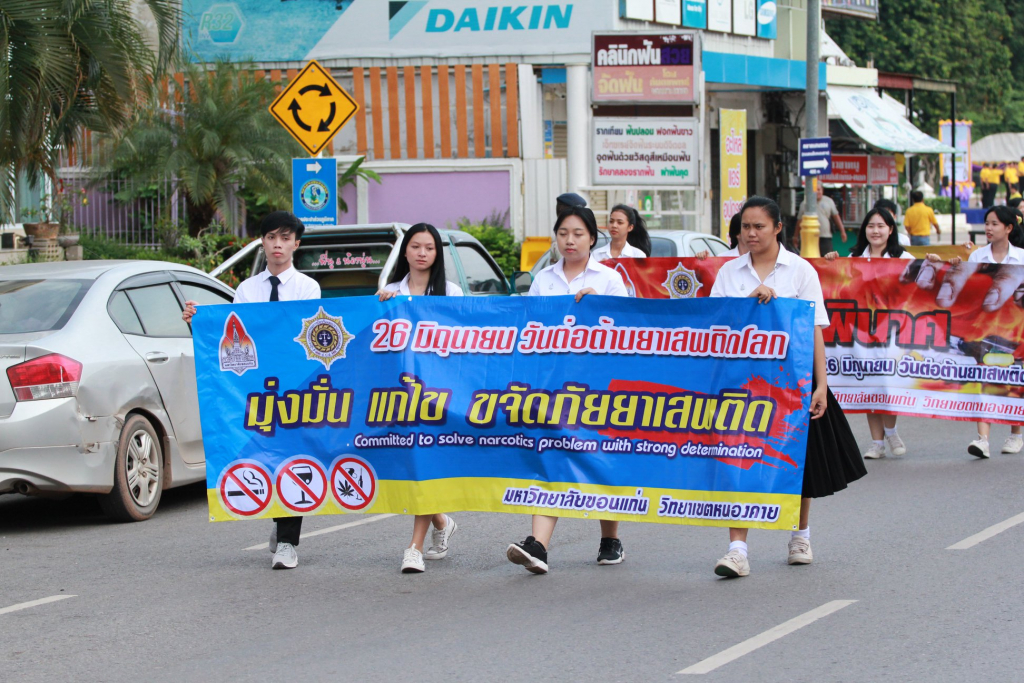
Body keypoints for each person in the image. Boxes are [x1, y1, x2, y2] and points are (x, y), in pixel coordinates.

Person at [709, 196, 866, 578]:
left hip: (793, 381)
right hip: (743, 383)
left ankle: (800, 535)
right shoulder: (729, 272)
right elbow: (715, 326)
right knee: (739, 460)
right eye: (745, 227)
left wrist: (821, 385)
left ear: (778, 228)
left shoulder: (800, 271)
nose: (751, 234)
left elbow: (814, 330)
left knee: (799, 459)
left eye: (759, 226)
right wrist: (748, 305)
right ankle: (737, 550)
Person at [182, 211, 321, 570]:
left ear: (296, 244)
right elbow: (233, 336)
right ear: (262, 242)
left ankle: (288, 541)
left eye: (285, 238)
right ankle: (280, 519)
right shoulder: (247, 290)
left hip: (294, 386)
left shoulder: (307, 288)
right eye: (271, 237)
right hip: (255, 387)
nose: (278, 244)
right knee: (264, 455)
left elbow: (299, 334)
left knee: (291, 454)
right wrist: (199, 322)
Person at [506, 205, 629, 574]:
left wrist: (599, 308)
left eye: (577, 234)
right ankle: (538, 546)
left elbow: (628, 332)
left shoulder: (609, 279)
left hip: (599, 388)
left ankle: (610, 539)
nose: (569, 240)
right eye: (563, 233)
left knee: (599, 461)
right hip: (552, 386)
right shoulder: (543, 279)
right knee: (549, 457)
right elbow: (529, 329)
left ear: (592, 238)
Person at [377, 223, 463, 573]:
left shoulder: (451, 293)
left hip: (438, 396)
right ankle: (441, 520)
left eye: (429, 247)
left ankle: (413, 547)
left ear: (437, 253)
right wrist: (380, 307)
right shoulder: (389, 292)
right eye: (415, 246)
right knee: (413, 467)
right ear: (406, 251)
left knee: (424, 464)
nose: (422, 253)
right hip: (400, 395)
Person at [824, 208, 913, 459]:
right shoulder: (853, 258)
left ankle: (891, 431)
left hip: (893, 330)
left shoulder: (903, 258)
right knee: (870, 383)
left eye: (881, 226)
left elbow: (919, 286)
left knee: (887, 382)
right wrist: (831, 262)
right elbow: (840, 285)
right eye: (871, 226)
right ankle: (877, 443)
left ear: (891, 230)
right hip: (861, 330)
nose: (875, 231)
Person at [946, 206, 1024, 459]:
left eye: (994, 224)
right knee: (983, 378)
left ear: (1009, 228)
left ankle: (1015, 435)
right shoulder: (978, 255)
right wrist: (954, 266)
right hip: (983, 328)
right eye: (987, 223)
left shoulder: (1021, 257)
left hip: (1016, 330)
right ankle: (983, 440)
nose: (988, 228)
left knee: (1014, 382)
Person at [797, 183, 846, 255]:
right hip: (809, 238)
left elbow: (836, 217)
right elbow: (799, 221)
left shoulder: (829, 201)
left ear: (822, 190)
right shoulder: (805, 203)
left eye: (819, 189)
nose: (817, 192)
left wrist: (842, 231)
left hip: (825, 237)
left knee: (827, 257)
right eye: (815, 190)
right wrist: (795, 236)